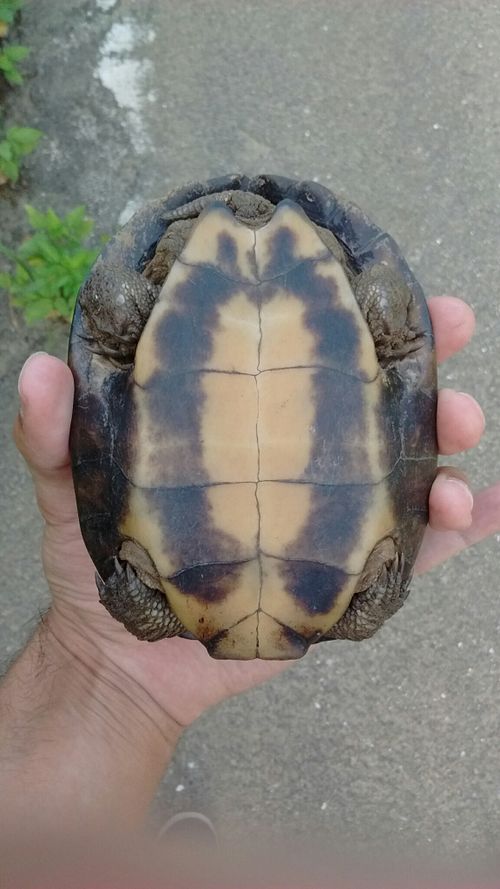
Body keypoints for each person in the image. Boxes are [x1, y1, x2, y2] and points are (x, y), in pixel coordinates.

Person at [0, 296, 499, 883]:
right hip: (321, 297)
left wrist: (101, 665)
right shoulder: (169, 599)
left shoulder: (344, 598)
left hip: (188, 293)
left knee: (121, 313)